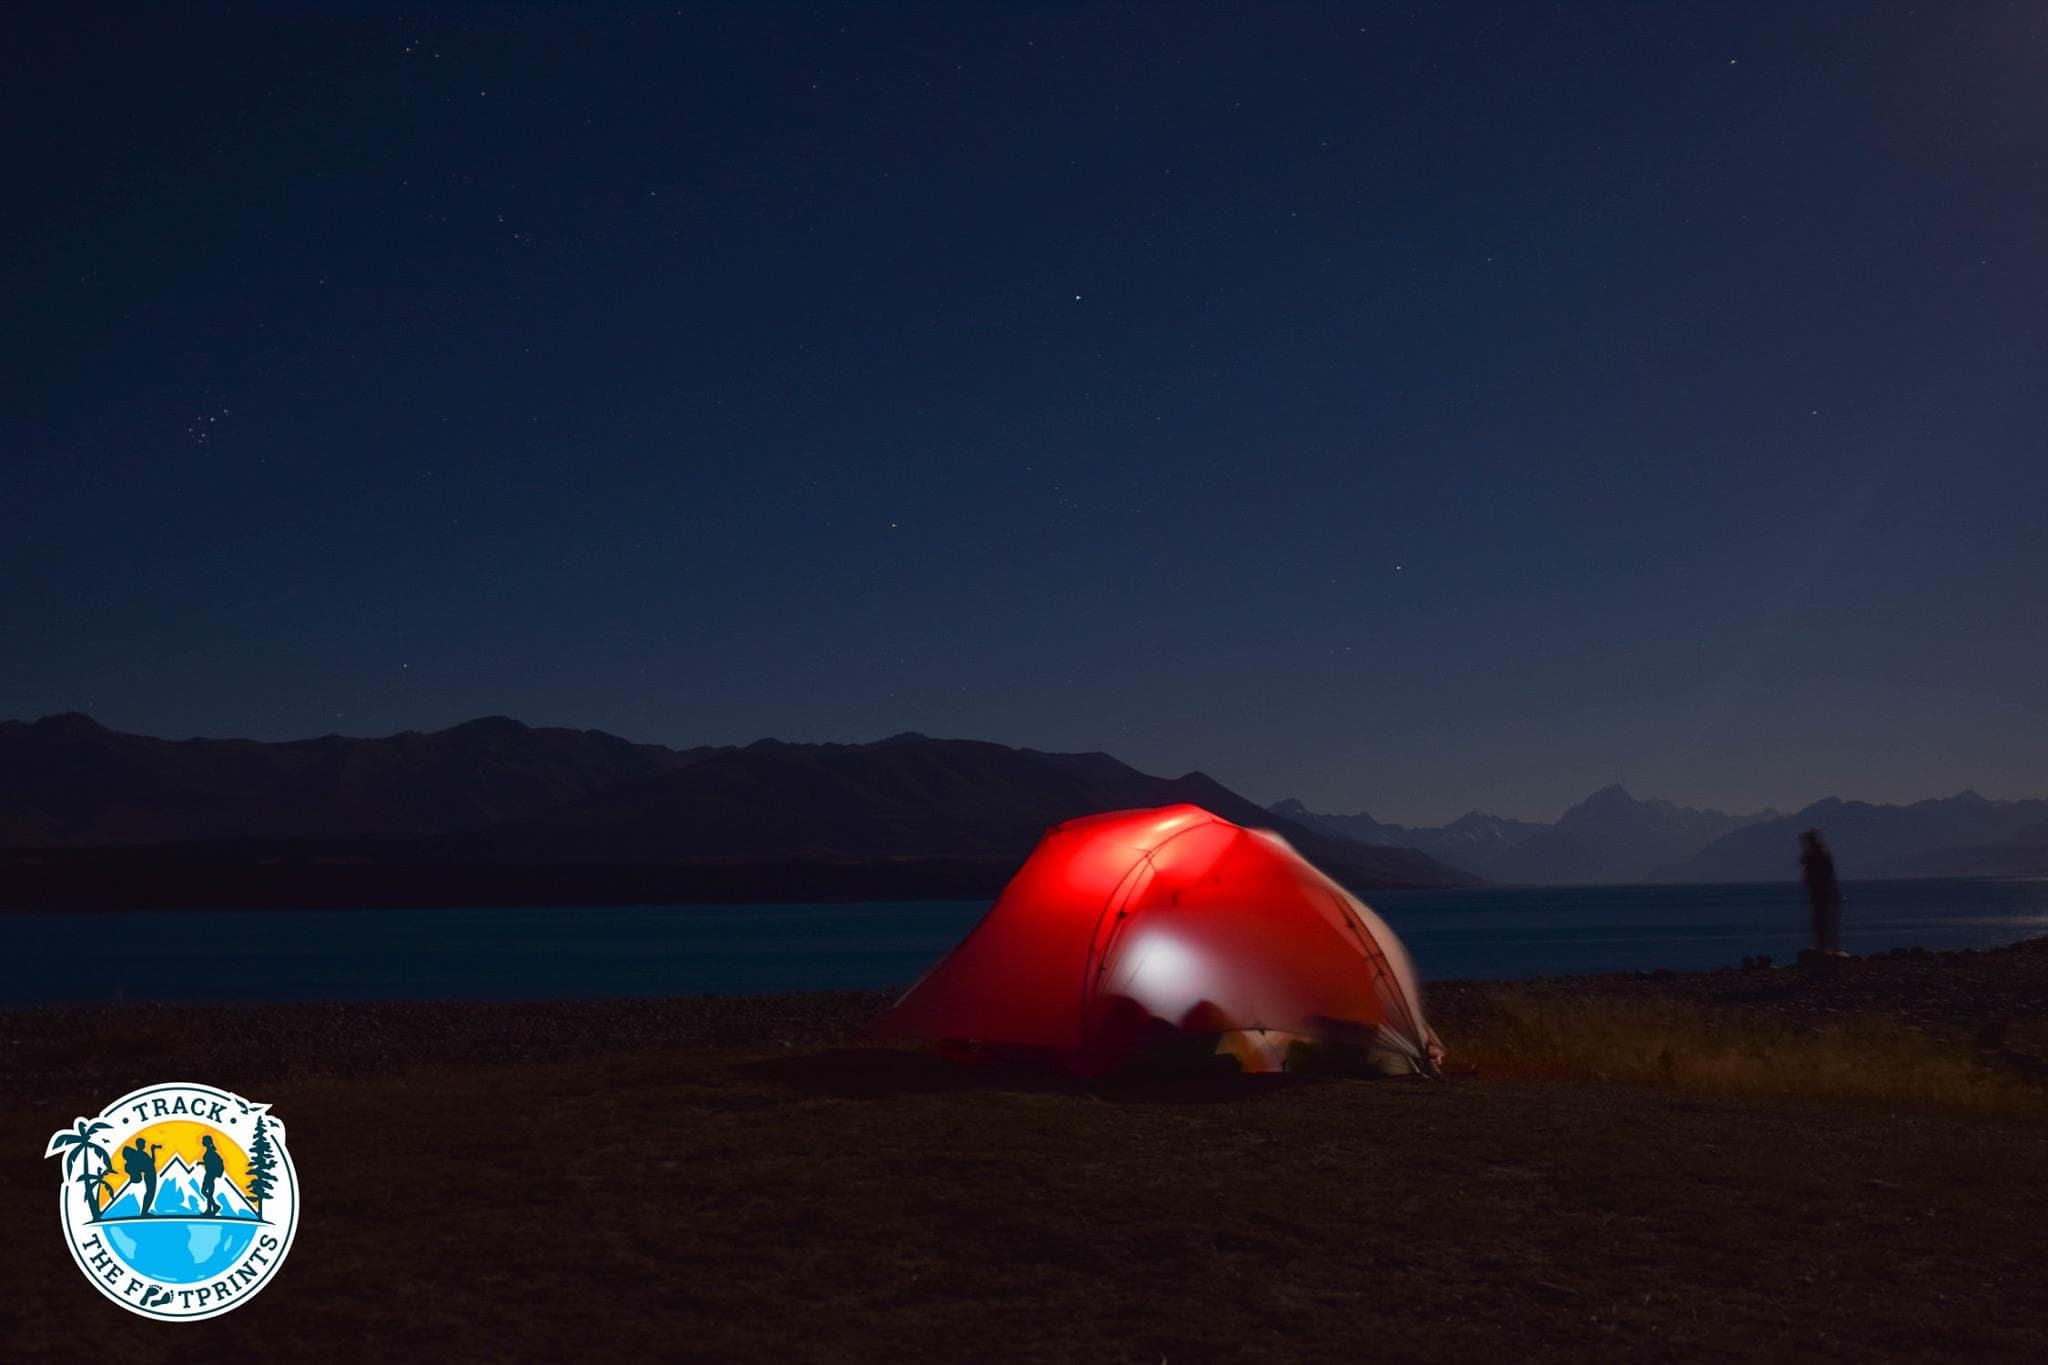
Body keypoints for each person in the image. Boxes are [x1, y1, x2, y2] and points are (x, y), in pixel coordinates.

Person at [1799, 829, 1842, 956]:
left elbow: (1822, 872)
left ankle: (1824, 947)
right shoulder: (1818, 853)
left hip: (1821, 892)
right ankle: (1825, 946)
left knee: (1822, 920)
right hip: (1820, 891)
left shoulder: (1817, 854)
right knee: (1823, 920)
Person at [121, 1137, 160, 1216]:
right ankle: (144, 1212)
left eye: (144, 1144)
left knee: (150, 1193)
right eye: (142, 1144)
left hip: (151, 1174)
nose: (144, 1145)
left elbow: (151, 1162)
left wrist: (152, 1150)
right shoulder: (139, 1154)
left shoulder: (141, 1154)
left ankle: (144, 1212)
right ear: (138, 1145)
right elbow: (149, 1163)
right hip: (150, 1175)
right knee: (150, 1193)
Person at [199, 1134, 226, 1216]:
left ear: (207, 1142)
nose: (202, 1142)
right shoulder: (210, 1151)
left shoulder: (210, 1152)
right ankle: (210, 1209)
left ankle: (214, 1206)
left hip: (210, 1174)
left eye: (203, 1141)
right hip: (210, 1174)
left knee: (204, 1191)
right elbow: (209, 1162)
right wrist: (201, 1163)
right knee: (209, 1193)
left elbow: (211, 1163)